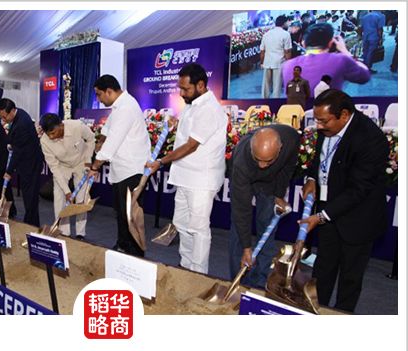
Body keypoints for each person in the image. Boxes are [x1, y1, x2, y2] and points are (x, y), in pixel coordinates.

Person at [299, 89, 388, 312]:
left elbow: (359, 190)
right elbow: (319, 160)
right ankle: (316, 312)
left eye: (323, 121)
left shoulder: (370, 138)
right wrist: (311, 178)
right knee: (322, 271)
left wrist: (320, 217)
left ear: (344, 115)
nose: (318, 126)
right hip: (329, 213)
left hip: (359, 219)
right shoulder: (327, 127)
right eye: (317, 120)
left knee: (350, 279)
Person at [145, 63, 227, 274]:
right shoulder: (192, 104)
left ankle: (198, 274)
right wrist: (176, 123)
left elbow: (191, 145)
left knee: (198, 229)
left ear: (201, 85)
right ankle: (186, 266)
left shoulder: (210, 109)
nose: (181, 93)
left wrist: (161, 161)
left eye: (185, 89)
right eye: (180, 88)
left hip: (201, 180)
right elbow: (187, 132)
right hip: (183, 176)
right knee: (181, 224)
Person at [228, 125, 300, 288]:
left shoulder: (291, 139)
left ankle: (259, 283)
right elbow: (242, 210)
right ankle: (238, 282)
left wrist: (279, 195)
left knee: (267, 227)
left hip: (270, 183)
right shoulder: (241, 162)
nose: (262, 165)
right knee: (239, 230)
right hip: (244, 177)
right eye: (258, 159)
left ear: (280, 149)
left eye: (268, 161)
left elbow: (288, 167)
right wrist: (247, 248)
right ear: (252, 149)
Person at [87, 75, 150, 257]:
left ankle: (136, 254)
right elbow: (107, 133)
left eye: (99, 95)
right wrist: (98, 145)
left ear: (109, 91)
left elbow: (112, 143)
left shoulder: (126, 108)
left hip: (131, 170)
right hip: (121, 170)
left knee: (131, 215)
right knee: (121, 212)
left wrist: (95, 166)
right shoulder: (118, 107)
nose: (98, 99)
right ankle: (123, 246)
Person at [39, 113, 95, 239]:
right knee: (59, 195)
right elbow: (54, 167)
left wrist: (88, 160)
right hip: (62, 166)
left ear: (61, 125)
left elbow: (91, 139)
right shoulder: (44, 141)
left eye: (53, 133)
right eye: (48, 134)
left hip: (81, 163)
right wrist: (67, 191)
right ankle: (63, 231)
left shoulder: (77, 126)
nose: (51, 137)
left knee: (81, 198)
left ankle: (80, 233)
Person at [282, 23, 370, 94]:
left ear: (303, 44)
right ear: (331, 43)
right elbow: (364, 76)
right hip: (328, 110)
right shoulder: (340, 60)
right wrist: (345, 51)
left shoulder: (288, 65)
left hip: (296, 110)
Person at [0, 98, 44, 227]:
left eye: (4, 117)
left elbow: (18, 151)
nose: (4, 120)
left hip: (30, 164)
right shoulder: (19, 114)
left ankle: (31, 225)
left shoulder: (22, 124)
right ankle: (30, 223)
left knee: (30, 198)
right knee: (28, 196)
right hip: (26, 162)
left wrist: (8, 172)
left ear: (12, 111)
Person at [260, 15, 292, 98]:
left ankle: (264, 101)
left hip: (267, 62)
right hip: (279, 63)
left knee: (265, 86)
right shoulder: (286, 34)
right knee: (277, 86)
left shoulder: (266, 34)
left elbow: (262, 51)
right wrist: (289, 64)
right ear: (284, 23)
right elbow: (287, 51)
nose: (288, 24)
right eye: (287, 22)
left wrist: (262, 63)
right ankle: (275, 102)